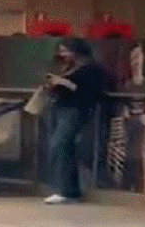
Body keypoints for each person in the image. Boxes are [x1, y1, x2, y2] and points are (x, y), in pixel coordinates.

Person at [42, 38, 110, 204]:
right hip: (62, 108)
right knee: (63, 146)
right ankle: (68, 189)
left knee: (61, 144)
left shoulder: (92, 69)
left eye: (66, 50)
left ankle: (65, 189)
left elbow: (90, 91)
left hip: (76, 109)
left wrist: (65, 83)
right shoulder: (70, 68)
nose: (63, 54)